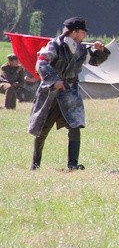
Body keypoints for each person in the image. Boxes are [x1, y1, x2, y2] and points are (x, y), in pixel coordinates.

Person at [28, 17, 111, 171]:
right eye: (83, 32)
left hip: (70, 92)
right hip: (52, 92)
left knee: (75, 126)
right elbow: (41, 62)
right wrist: (53, 80)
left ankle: (72, 164)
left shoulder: (80, 48)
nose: (85, 35)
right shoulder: (54, 45)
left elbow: (93, 61)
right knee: (43, 129)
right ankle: (35, 164)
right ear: (75, 32)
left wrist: (100, 51)